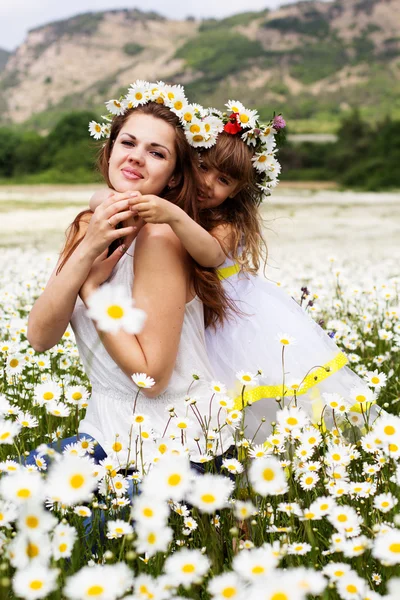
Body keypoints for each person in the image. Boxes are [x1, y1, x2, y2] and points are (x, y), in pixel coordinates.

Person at [90, 98, 380, 444]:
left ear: (238, 190)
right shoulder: (173, 205)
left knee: (252, 399)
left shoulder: (225, 223)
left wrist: (172, 216)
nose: (208, 182)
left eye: (223, 179)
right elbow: (99, 197)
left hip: (234, 318)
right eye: (202, 166)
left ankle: (289, 453)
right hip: (195, 317)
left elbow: (210, 254)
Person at [27, 82, 235, 474]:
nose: (137, 158)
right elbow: (40, 338)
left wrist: (92, 291)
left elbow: (151, 378)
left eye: (156, 153)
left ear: (173, 178)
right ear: (109, 152)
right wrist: (88, 249)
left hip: (176, 445)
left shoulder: (161, 238)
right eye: (128, 143)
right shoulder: (89, 224)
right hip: (106, 431)